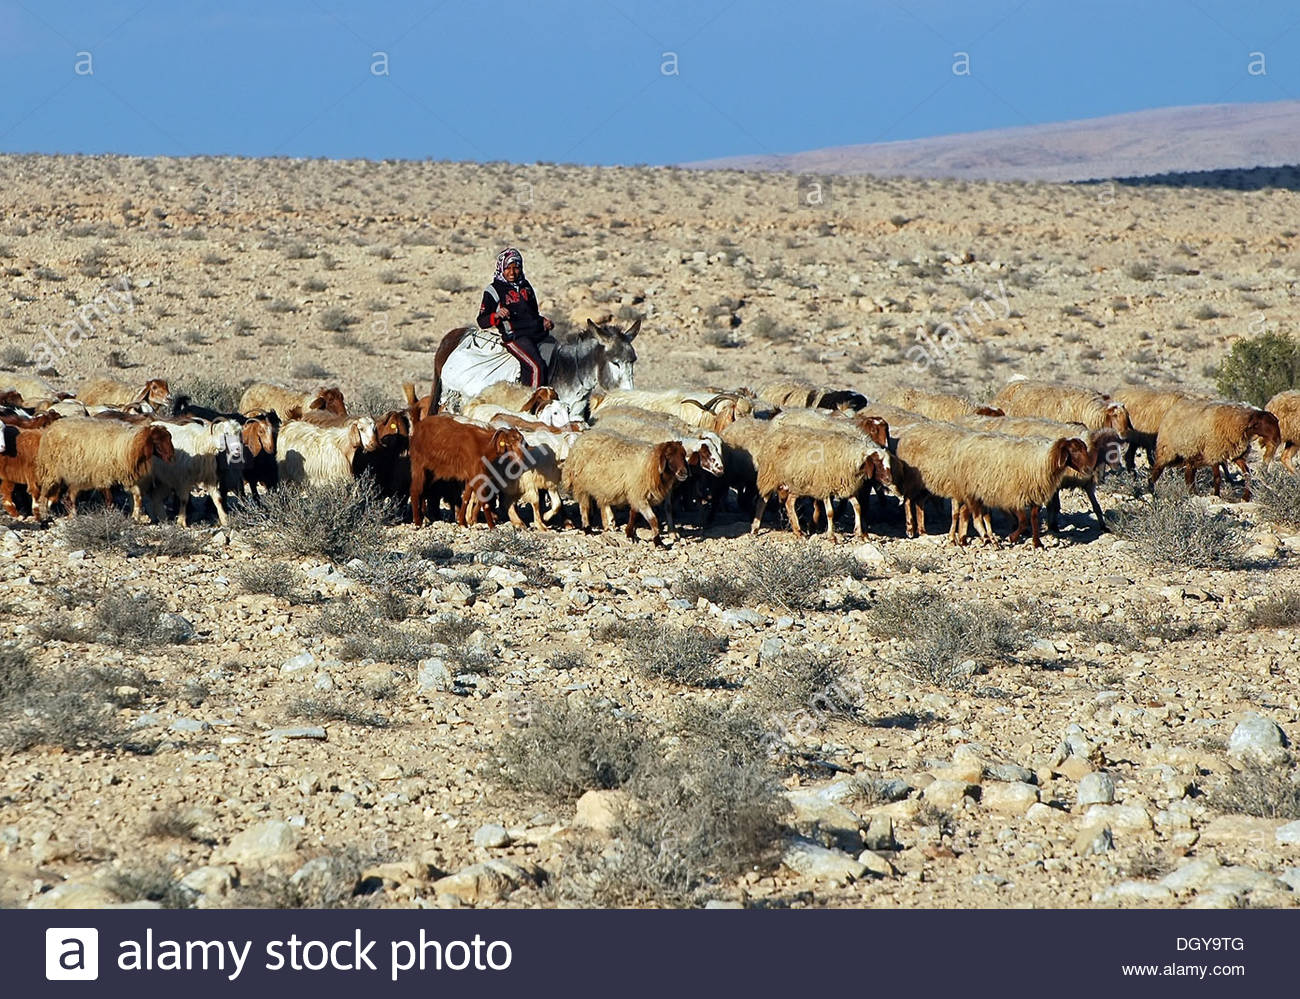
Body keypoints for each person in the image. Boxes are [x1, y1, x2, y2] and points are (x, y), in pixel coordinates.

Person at [477, 247, 554, 387]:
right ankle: (533, 403)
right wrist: (496, 315)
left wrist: (543, 321)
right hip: (516, 337)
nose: (512, 272)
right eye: (508, 268)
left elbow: (533, 313)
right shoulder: (493, 290)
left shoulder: (525, 286)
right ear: (501, 268)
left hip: (536, 333)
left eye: (516, 267)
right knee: (536, 367)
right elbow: (481, 321)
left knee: (558, 360)